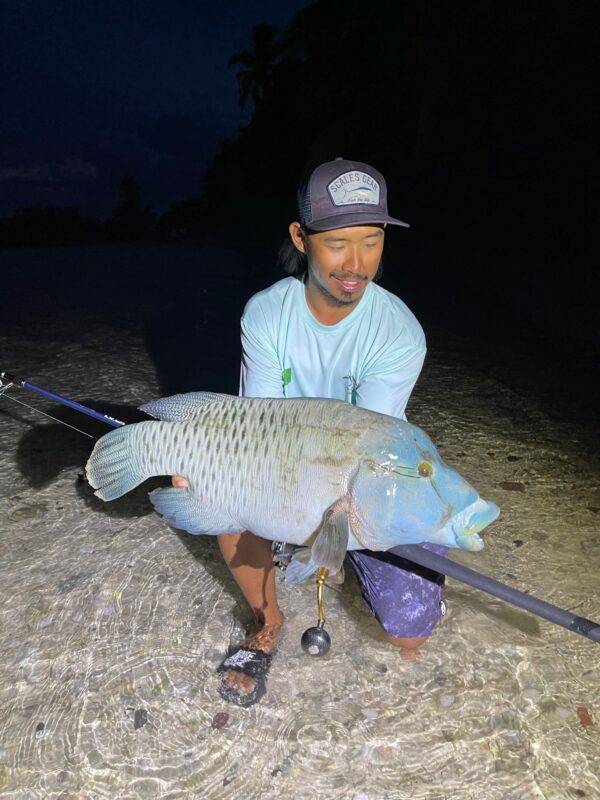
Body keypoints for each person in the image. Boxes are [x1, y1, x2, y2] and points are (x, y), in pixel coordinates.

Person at [173, 158, 447, 707]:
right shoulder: (266, 315)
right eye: (338, 242)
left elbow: (370, 452)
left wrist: (330, 529)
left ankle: (374, 578)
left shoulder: (399, 333)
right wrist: (204, 462)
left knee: (410, 630)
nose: (356, 263)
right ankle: (266, 621)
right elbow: (260, 434)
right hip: (288, 466)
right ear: (302, 238)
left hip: (364, 481)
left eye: (372, 242)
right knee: (212, 485)